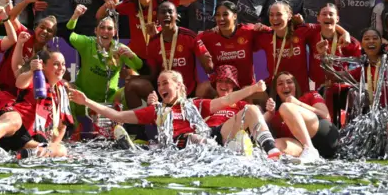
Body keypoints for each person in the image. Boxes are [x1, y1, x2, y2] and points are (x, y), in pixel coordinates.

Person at [69, 70, 281, 159]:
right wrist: (85, 101)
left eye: (165, 83)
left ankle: (271, 152)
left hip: (212, 136)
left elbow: (226, 100)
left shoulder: (196, 105)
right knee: (194, 138)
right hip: (181, 144)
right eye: (159, 83)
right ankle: (235, 149)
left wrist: (253, 89)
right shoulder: (156, 110)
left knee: (251, 110)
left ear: (178, 86)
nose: (160, 87)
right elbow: (119, 116)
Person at [0, 49, 72, 159]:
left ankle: (26, 154)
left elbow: (62, 127)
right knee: (14, 118)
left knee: (61, 149)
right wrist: (32, 71)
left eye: (63, 64)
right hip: (11, 127)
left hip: (26, 139)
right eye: (56, 64)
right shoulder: (37, 80)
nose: (61, 68)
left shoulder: (61, 92)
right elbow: (20, 83)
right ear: (43, 66)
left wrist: (51, 147)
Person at [254, 2, 348, 93]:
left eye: (279, 14)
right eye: (271, 15)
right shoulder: (265, 35)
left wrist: (345, 33)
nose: (274, 18)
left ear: (289, 16)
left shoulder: (302, 31)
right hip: (278, 91)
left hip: (301, 90)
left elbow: (326, 25)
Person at [66, 4, 142, 110]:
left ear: (115, 32)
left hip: (110, 100)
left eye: (110, 28)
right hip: (83, 97)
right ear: (95, 31)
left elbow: (140, 67)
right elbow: (67, 34)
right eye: (102, 27)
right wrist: (75, 16)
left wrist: (132, 56)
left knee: (133, 87)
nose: (105, 31)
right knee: (65, 86)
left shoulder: (120, 49)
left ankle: (126, 124)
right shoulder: (87, 43)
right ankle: (73, 125)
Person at [204, 65, 280, 158]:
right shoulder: (208, 103)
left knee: (252, 109)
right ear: (215, 84)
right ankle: (235, 147)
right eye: (220, 81)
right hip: (209, 135)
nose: (224, 85)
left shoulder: (241, 105)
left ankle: (270, 148)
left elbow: (257, 121)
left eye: (228, 81)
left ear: (234, 85)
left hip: (230, 133)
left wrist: (270, 112)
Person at [264, 71, 339, 162]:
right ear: (276, 90)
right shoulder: (275, 115)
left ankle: (310, 149)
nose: (286, 86)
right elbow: (259, 125)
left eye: (289, 82)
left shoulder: (310, 95)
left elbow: (326, 116)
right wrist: (269, 113)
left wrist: (299, 104)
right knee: (273, 145)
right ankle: (308, 153)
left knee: (285, 107)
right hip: (302, 148)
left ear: (295, 85)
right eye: (280, 84)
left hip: (325, 135)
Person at [146, 2, 212, 98]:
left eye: (170, 12)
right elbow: (153, 75)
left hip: (188, 92)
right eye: (163, 12)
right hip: (163, 93)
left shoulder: (189, 36)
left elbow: (208, 66)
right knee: (136, 85)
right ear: (158, 18)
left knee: (209, 87)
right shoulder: (153, 42)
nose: (167, 15)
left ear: (177, 16)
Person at [197, 1, 262, 91]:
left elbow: (272, 33)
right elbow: (193, 40)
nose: (221, 18)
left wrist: (263, 27)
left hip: (246, 88)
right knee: (202, 89)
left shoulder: (249, 31)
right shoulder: (209, 36)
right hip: (223, 89)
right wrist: (204, 60)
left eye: (225, 14)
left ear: (235, 16)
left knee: (262, 95)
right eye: (218, 15)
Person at [0, 9, 57, 95]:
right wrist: (27, 1)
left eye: (49, 31)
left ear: (53, 36)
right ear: (35, 28)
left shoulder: (49, 54)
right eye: (42, 27)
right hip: (2, 86)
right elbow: (12, 17)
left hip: (23, 95)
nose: (45, 31)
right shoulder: (24, 34)